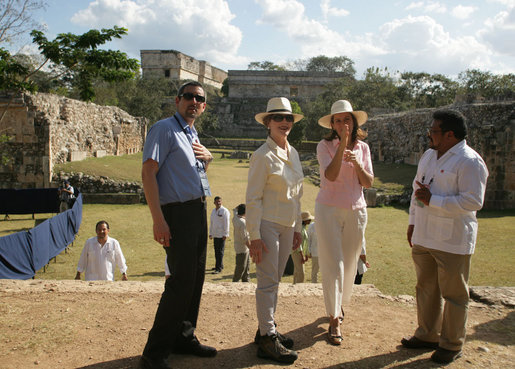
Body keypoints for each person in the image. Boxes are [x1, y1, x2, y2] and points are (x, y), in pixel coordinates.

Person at [401, 109, 489, 364]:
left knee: (454, 294)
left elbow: (474, 201)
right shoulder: (429, 155)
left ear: (450, 134)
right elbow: (417, 189)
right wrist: (413, 221)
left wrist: (434, 201)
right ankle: (427, 334)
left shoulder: (469, 161)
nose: (429, 134)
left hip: (452, 239)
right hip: (425, 235)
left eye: (434, 131)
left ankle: (451, 344)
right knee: (426, 287)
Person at [140, 81, 216, 369]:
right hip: (176, 213)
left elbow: (188, 173)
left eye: (199, 98)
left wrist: (207, 161)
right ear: (177, 100)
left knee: (195, 279)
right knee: (180, 282)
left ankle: (184, 336)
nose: (193, 102)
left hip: (197, 210)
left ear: (204, 105)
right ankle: (154, 354)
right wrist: (158, 220)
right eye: (188, 97)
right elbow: (149, 172)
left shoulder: (190, 132)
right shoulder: (164, 129)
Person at [246, 97, 304, 364]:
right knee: (268, 281)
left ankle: (265, 330)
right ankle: (268, 337)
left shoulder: (292, 153)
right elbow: (253, 199)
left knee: (276, 279)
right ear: (267, 123)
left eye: (288, 118)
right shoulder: (262, 156)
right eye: (278, 118)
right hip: (267, 224)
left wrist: (297, 227)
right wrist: (254, 237)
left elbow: (297, 195)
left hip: (286, 224)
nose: (284, 122)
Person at [315, 100, 374, 346]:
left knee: (350, 263)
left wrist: (357, 162)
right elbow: (330, 175)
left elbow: (368, 182)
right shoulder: (324, 145)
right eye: (337, 120)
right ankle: (334, 318)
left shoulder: (363, 148)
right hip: (329, 208)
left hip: (357, 210)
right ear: (332, 124)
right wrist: (341, 150)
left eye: (346, 120)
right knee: (333, 263)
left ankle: (338, 304)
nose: (342, 124)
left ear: (354, 121)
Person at [209, 196, 230, 273]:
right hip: (215, 234)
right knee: (216, 251)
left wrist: (226, 234)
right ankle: (218, 265)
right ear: (214, 203)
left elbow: (226, 223)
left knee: (220, 251)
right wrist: (210, 233)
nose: (218, 203)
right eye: (217, 202)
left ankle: (218, 268)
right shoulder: (213, 211)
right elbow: (211, 223)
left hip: (221, 235)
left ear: (221, 202)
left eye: (219, 201)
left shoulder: (224, 211)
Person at [292, 211, 313, 284]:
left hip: (300, 252)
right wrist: (302, 255)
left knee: (297, 271)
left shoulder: (303, 228)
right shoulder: (300, 229)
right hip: (297, 252)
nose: (310, 220)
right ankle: (298, 287)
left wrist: (306, 254)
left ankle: (294, 287)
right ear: (304, 220)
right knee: (301, 273)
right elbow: (299, 244)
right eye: (308, 219)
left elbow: (305, 242)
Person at [232, 203, 251, 282]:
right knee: (241, 267)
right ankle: (235, 282)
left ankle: (246, 281)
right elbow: (245, 238)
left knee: (246, 267)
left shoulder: (235, 218)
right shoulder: (242, 222)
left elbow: (234, 209)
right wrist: (251, 248)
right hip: (243, 248)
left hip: (240, 247)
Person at [307, 217, 319, 283]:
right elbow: (308, 239)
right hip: (315, 252)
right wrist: (309, 250)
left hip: (325, 253)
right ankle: (314, 285)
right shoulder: (312, 226)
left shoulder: (327, 225)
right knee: (315, 271)